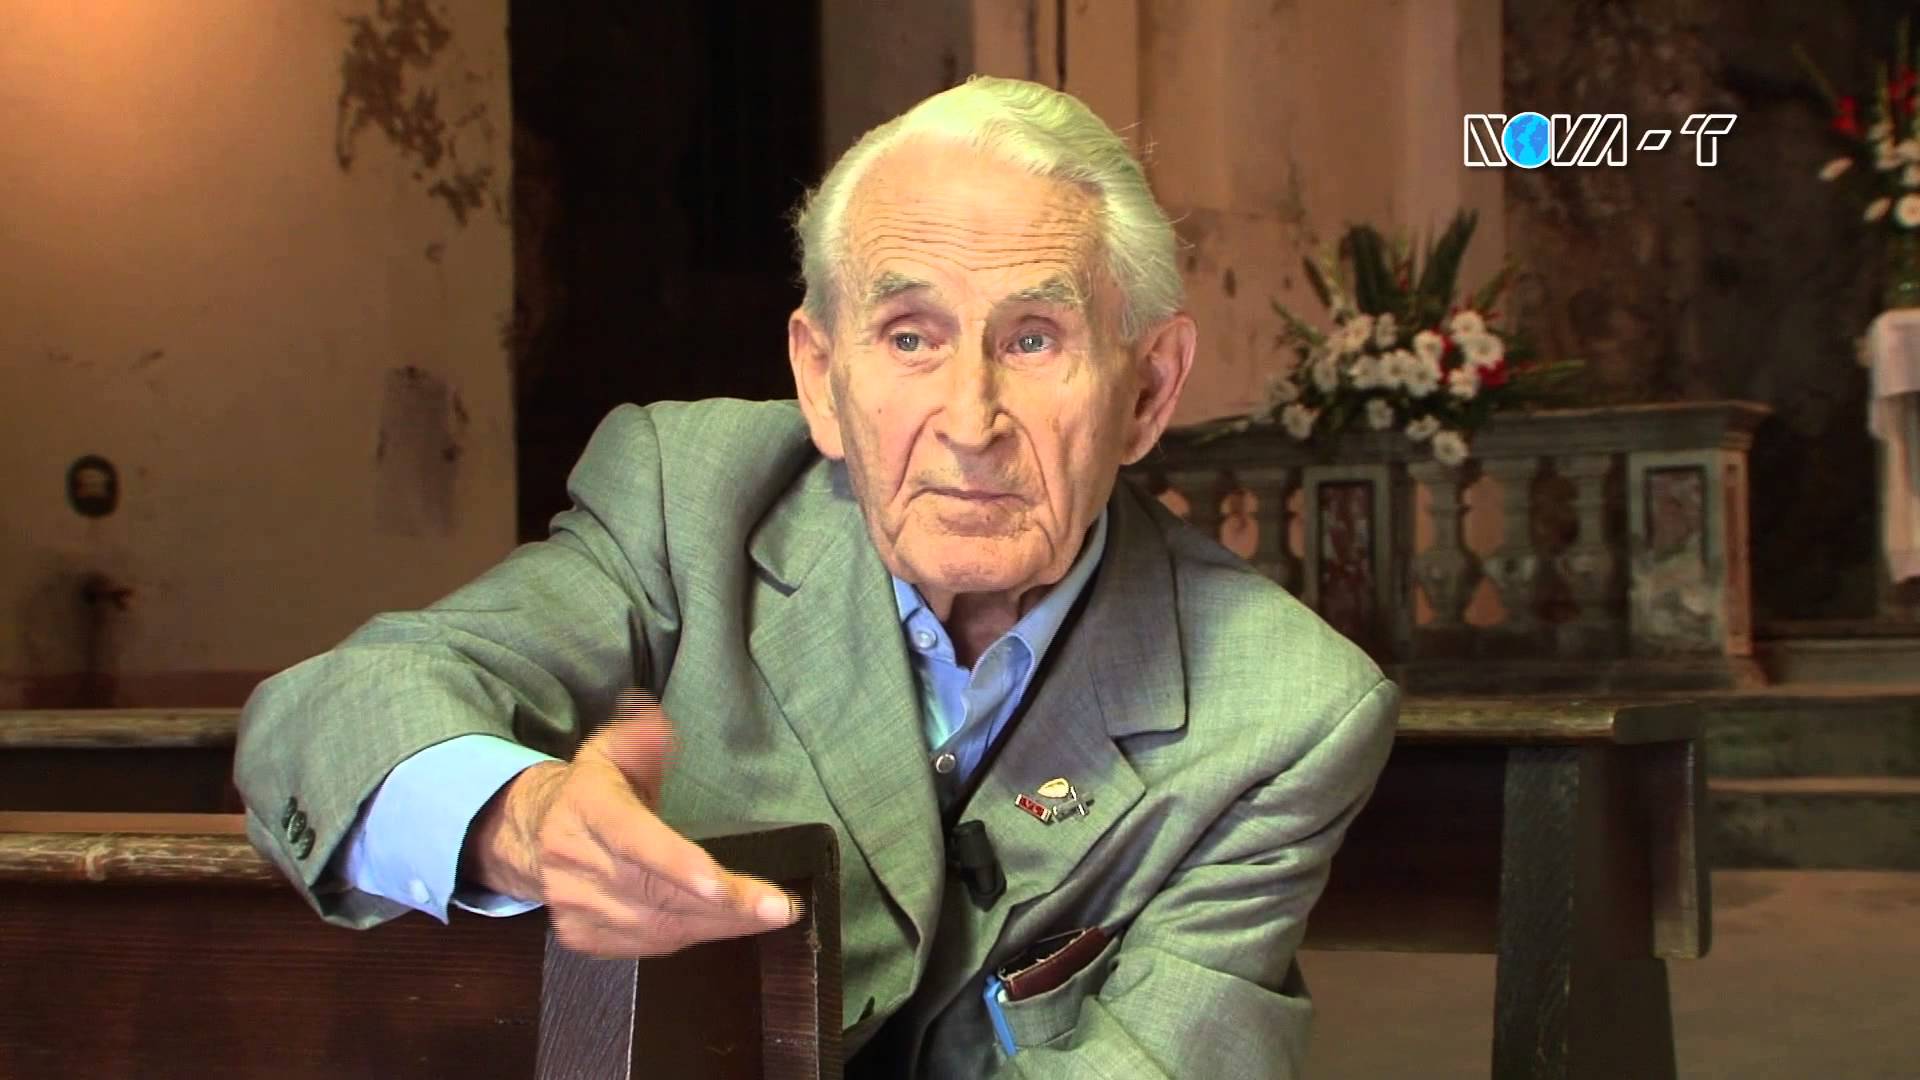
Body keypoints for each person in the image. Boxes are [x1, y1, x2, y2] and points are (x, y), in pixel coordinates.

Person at [234, 75, 1398, 1078]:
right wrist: (521, 822)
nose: (971, 422)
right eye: (910, 337)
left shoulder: (1287, 712)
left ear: (1147, 389)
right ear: (819, 375)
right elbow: (333, 712)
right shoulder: (688, 502)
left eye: (1034, 338)